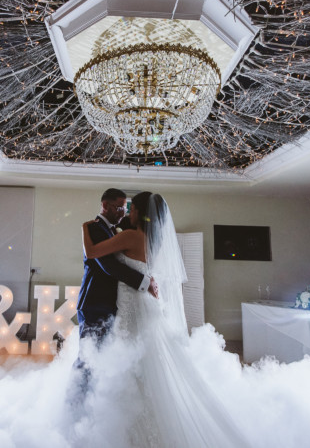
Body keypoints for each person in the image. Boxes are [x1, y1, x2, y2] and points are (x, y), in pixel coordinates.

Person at [81, 191, 251, 448]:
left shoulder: (130, 235)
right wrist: (147, 281)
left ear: (140, 212)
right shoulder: (152, 239)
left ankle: (130, 427)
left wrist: (84, 227)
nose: (127, 213)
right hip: (141, 304)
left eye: (131, 209)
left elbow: (93, 252)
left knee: (132, 360)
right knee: (145, 360)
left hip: (132, 306)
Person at [70, 188, 158, 401]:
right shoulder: (94, 228)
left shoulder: (119, 228)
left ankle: (95, 400)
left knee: (104, 355)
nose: (123, 212)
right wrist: (145, 282)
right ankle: (76, 402)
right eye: (119, 207)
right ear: (105, 206)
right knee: (88, 356)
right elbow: (110, 266)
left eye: (126, 208)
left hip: (115, 303)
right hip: (95, 302)